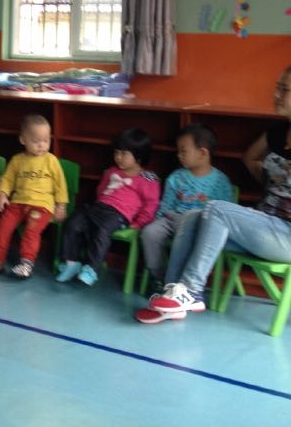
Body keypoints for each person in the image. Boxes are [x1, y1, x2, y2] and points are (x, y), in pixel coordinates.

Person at [137, 66, 291, 324]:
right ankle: (172, 293)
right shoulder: (277, 132)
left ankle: (192, 291)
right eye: (278, 87)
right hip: (264, 223)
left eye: (284, 89)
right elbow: (251, 157)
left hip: (286, 235)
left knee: (216, 209)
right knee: (192, 217)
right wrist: (273, 183)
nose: (276, 94)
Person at [56, 128, 160, 286]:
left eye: (124, 154)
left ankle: (91, 269)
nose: (118, 157)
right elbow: (101, 190)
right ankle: (71, 263)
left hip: (119, 214)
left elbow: (151, 203)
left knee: (102, 230)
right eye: (116, 152)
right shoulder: (111, 171)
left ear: (139, 155)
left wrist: (139, 222)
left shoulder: (148, 178)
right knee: (73, 223)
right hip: (98, 207)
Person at [138, 124, 232, 292]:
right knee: (150, 233)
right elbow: (166, 205)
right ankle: (158, 274)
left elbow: (225, 211)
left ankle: (182, 282)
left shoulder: (220, 181)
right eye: (178, 151)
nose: (179, 155)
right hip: (173, 219)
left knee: (191, 232)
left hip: (199, 225)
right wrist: (157, 219)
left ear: (202, 153)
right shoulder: (176, 177)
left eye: (183, 151)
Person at [0, 114, 68, 279]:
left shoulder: (51, 161)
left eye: (46, 140)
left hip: (41, 206)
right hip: (17, 204)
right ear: (23, 140)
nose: (42, 145)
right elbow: (7, 180)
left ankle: (26, 263)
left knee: (31, 231)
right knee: (3, 228)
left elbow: (60, 185)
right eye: (36, 141)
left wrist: (61, 206)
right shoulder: (17, 160)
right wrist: (2, 194)